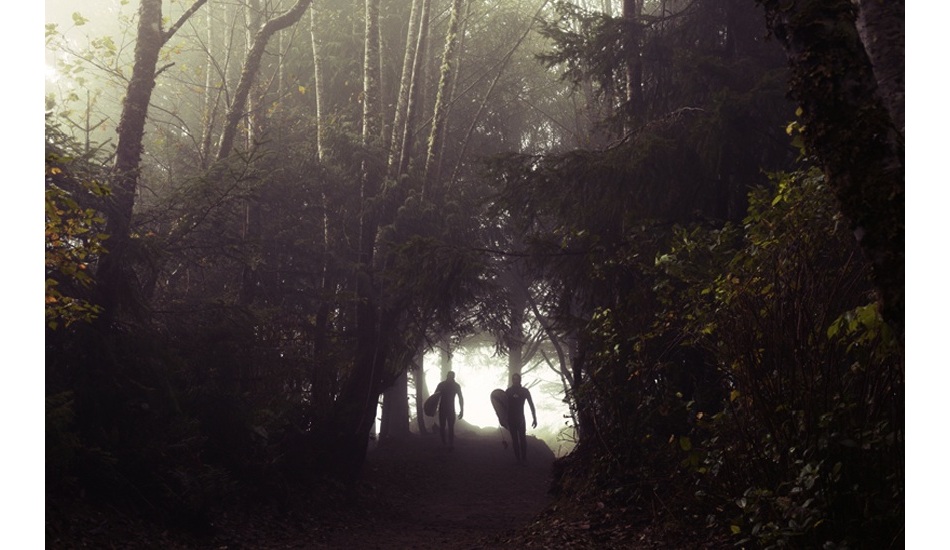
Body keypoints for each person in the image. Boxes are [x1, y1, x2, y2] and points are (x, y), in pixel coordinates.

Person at [505, 373, 537, 464]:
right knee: (514, 440)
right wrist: (502, 418)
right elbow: (503, 406)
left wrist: (534, 418)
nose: (515, 381)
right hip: (511, 418)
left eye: (517, 379)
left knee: (522, 438)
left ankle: (524, 458)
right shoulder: (508, 391)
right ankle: (518, 459)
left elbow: (531, 405)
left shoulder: (524, 391)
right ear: (512, 380)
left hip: (520, 418)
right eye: (514, 379)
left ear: (520, 380)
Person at [434, 371, 464, 448]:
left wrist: (462, 410)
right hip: (447, 408)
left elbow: (460, 398)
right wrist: (461, 410)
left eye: (450, 376)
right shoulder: (453, 385)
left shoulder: (444, 385)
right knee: (445, 427)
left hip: (447, 408)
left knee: (448, 427)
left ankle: (449, 444)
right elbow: (435, 397)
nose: (450, 377)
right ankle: (446, 443)